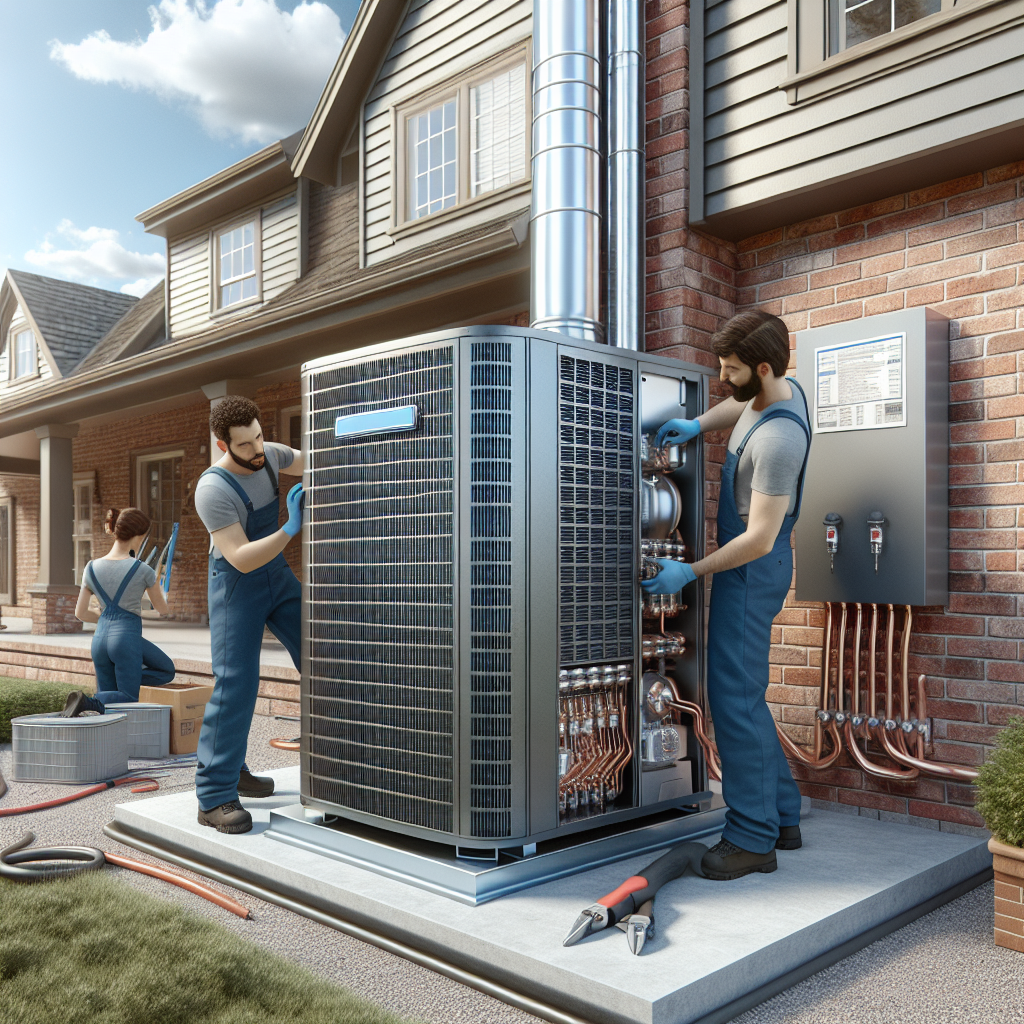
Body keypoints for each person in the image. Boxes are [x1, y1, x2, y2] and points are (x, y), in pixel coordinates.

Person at [643, 310, 811, 881]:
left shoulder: (782, 439)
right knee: (746, 697)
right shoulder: (777, 392)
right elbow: (740, 405)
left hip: (752, 571)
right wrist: (697, 427)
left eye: (731, 368)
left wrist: (688, 572)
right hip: (749, 567)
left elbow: (760, 539)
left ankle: (751, 837)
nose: (722, 377)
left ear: (762, 367)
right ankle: (783, 817)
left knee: (734, 700)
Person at [192, 395, 304, 834]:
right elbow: (239, 555)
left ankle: (236, 768)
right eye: (246, 444)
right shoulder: (213, 489)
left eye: (259, 436)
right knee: (236, 681)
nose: (259, 449)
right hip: (237, 582)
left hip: (275, 572)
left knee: (323, 654)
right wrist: (290, 527)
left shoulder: (270, 455)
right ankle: (215, 795)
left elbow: (315, 460)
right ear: (223, 444)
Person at [63, 507, 176, 716]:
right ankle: (86, 701)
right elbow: (162, 609)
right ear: (140, 536)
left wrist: (104, 617)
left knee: (109, 707)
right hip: (126, 637)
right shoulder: (143, 570)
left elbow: (80, 613)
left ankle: (94, 705)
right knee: (133, 693)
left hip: (99, 640)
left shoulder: (91, 567)